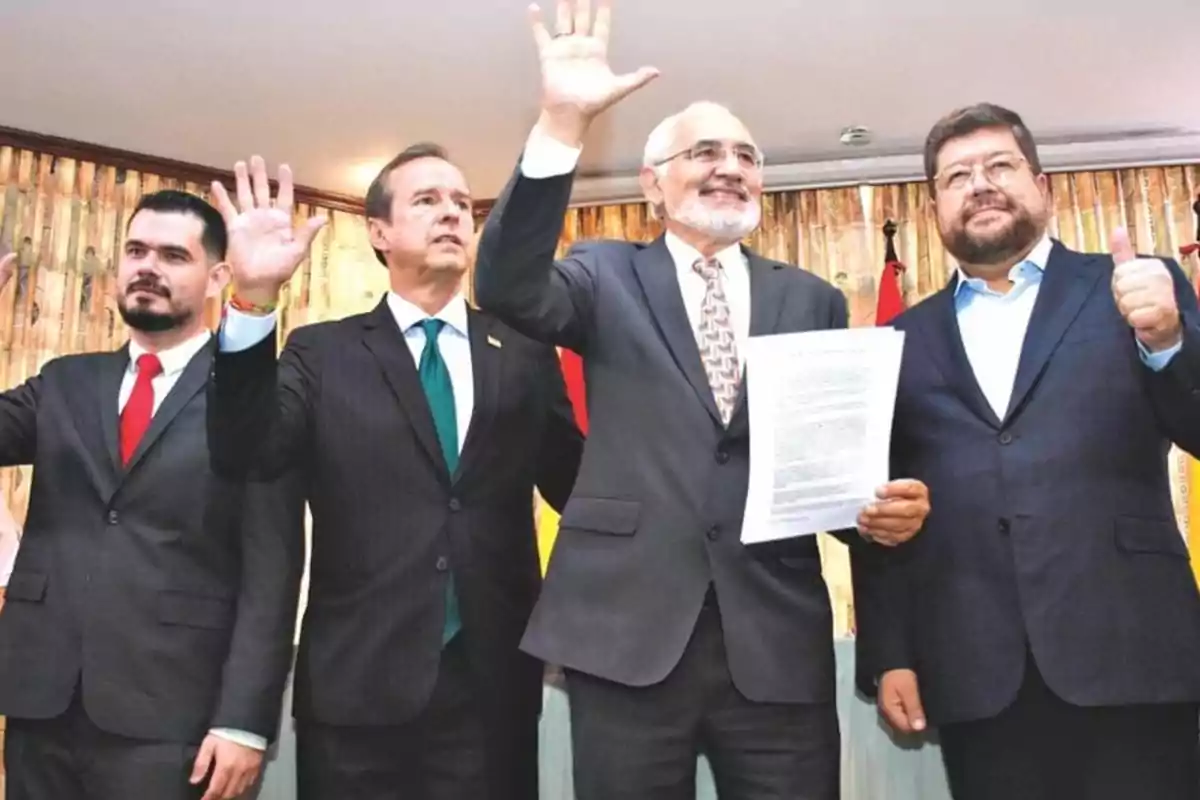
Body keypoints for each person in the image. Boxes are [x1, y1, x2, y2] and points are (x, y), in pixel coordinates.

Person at [471, 2, 932, 797]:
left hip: (776, 640)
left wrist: (874, 509)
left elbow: (822, 467)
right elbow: (507, 285)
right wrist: (560, 126)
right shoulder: (602, 273)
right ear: (653, 183)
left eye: (746, 155)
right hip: (626, 636)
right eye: (705, 151)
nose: (730, 166)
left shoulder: (812, 299)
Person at [203, 146, 584, 800]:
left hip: (493, 688)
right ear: (378, 232)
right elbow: (248, 448)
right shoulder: (321, 352)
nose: (451, 215)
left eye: (462, 204)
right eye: (427, 201)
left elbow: (576, 487)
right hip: (356, 692)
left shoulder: (522, 351)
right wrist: (255, 301)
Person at [852, 101, 1200, 800]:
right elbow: (885, 509)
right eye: (956, 176)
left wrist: (1166, 340)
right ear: (934, 209)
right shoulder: (899, 341)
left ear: (1043, 185)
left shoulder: (1133, 287)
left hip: (1135, 655)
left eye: (999, 165)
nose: (979, 184)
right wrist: (890, 652)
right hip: (978, 676)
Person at [0, 190, 304, 800]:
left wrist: (244, 720)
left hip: (171, 717)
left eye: (172, 255)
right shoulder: (65, 380)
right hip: (40, 704)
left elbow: (271, 572)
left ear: (218, 276)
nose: (147, 267)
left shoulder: (255, 400)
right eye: (136, 250)